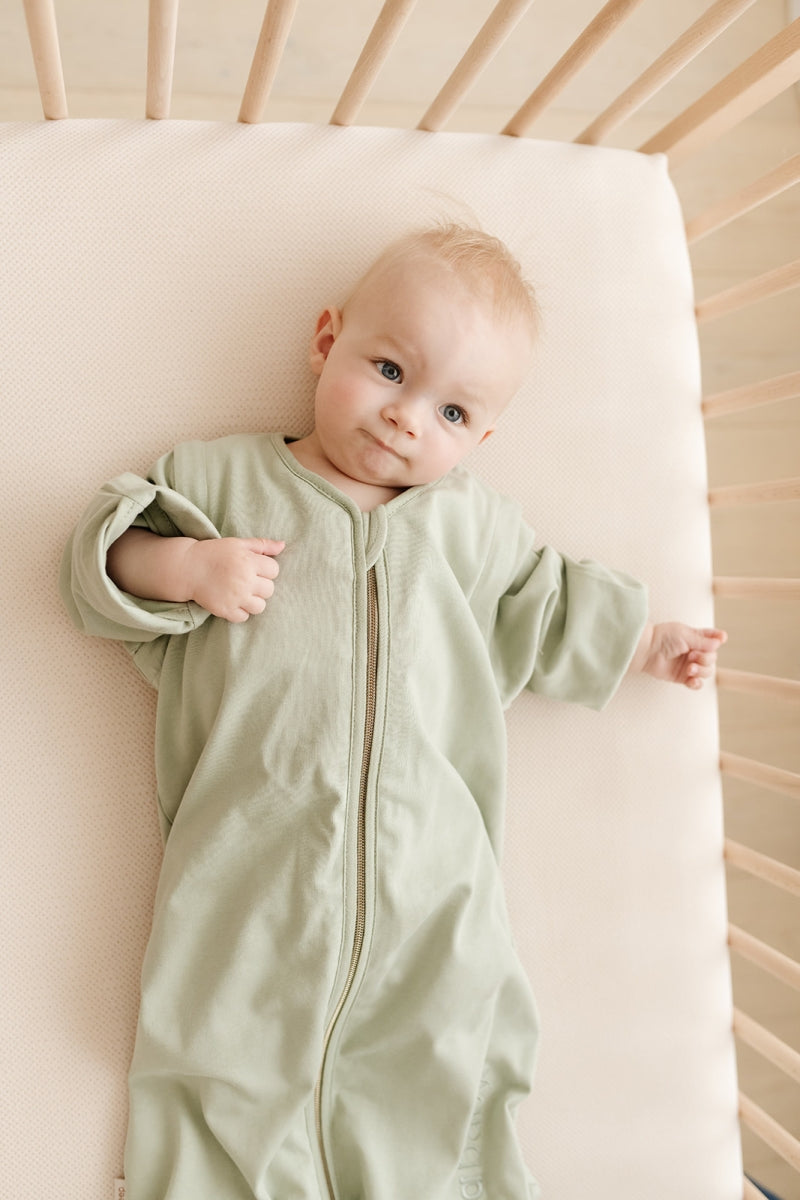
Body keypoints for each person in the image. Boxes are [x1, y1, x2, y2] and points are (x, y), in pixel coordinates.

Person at [61, 223, 726, 1200]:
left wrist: (647, 643)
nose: (406, 419)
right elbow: (97, 558)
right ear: (325, 341)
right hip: (248, 872)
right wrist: (185, 566)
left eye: (452, 411)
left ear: (481, 440)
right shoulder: (219, 483)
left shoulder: (472, 529)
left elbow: (542, 605)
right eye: (388, 370)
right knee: (220, 1069)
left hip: (432, 883)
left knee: (440, 1072)